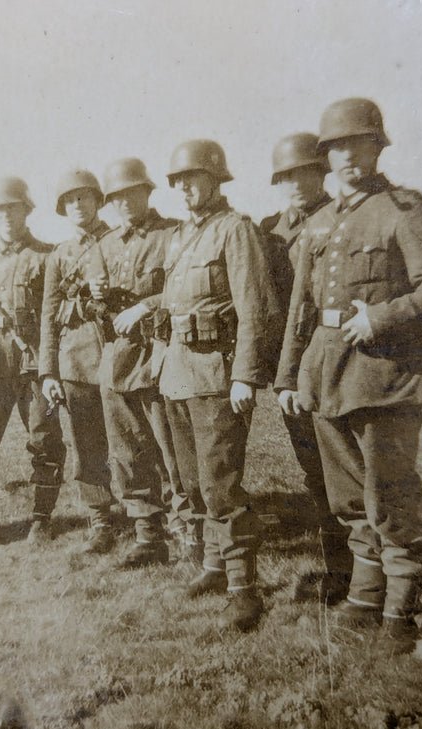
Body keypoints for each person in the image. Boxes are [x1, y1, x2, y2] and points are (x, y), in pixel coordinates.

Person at [274, 98, 422, 653]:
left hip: (386, 376)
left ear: (378, 148)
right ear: (326, 157)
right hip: (327, 375)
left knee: (391, 496)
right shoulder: (320, 223)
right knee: (349, 498)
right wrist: (289, 377)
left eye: (359, 144)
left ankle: (401, 610)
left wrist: (381, 317)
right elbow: (301, 311)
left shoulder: (406, 211)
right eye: (337, 148)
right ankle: (364, 596)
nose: (349, 156)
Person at [158, 140, 286, 631]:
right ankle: (214, 566)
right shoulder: (179, 237)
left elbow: (257, 308)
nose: (185, 188)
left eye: (193, 179)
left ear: (215, 179)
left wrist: (245, 376)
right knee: (193, 482)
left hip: (216, 376)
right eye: (178, 181)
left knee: (221, 484)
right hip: (177, 374)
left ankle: (243, 589)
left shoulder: (236, 230)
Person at [260, 133, 353, 604]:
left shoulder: (342, 218)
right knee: (313, 467)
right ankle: (339, 564)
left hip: (336, 359)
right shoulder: (269, 230)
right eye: (287, 177)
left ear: (323, 174)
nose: (296, 184)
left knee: (344, 466)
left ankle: (359, 567)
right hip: (290, 365)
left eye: (306, 173)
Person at [86, 157, 185, 568]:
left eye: (132, 193)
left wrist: (147, 305)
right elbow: (94, 309)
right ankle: (148, 535)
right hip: (118, 360)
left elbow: (187, 289)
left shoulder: (174, 234)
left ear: (147, 192)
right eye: (116, 197)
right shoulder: (104, 245)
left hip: (160, 354)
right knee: (127, 451)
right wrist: (95, 298)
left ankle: (189, 530)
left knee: (172, 449)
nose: (124, 203)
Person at [0, 176, 67, 545]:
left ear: (26, 211)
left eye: (13, 208)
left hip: (34, 362)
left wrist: (50, 368)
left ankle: (42, 519)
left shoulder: (46, 256)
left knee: (45, 440)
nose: (6, 215)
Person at [39, 169, 117, 550]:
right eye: (69, 201)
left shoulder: (119, 241)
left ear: (98, 200)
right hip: (77, 361)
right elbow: (48, 315)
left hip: (121, 356)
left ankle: (158, 515)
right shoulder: (60, 255)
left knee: (139, 441)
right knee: (87, 446)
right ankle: (100, 520)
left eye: (84, 197)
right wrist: (48, 372)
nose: (77, 205)